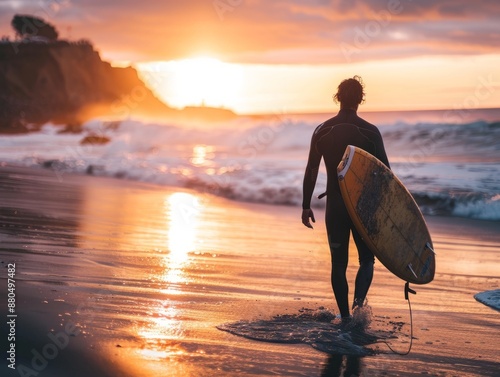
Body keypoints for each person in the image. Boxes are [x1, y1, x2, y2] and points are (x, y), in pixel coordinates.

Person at [301, 76, 390, 322]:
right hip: (363, 208)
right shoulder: (370, 132)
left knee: (338, 264)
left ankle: (344, 318)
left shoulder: (322, 130)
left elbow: (311, 170)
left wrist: (306, 205)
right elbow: (386, 176)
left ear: (338, 97)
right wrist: (386, 211)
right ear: (360, 99)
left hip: (336, 207)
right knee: (367, 260)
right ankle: (358, 310)